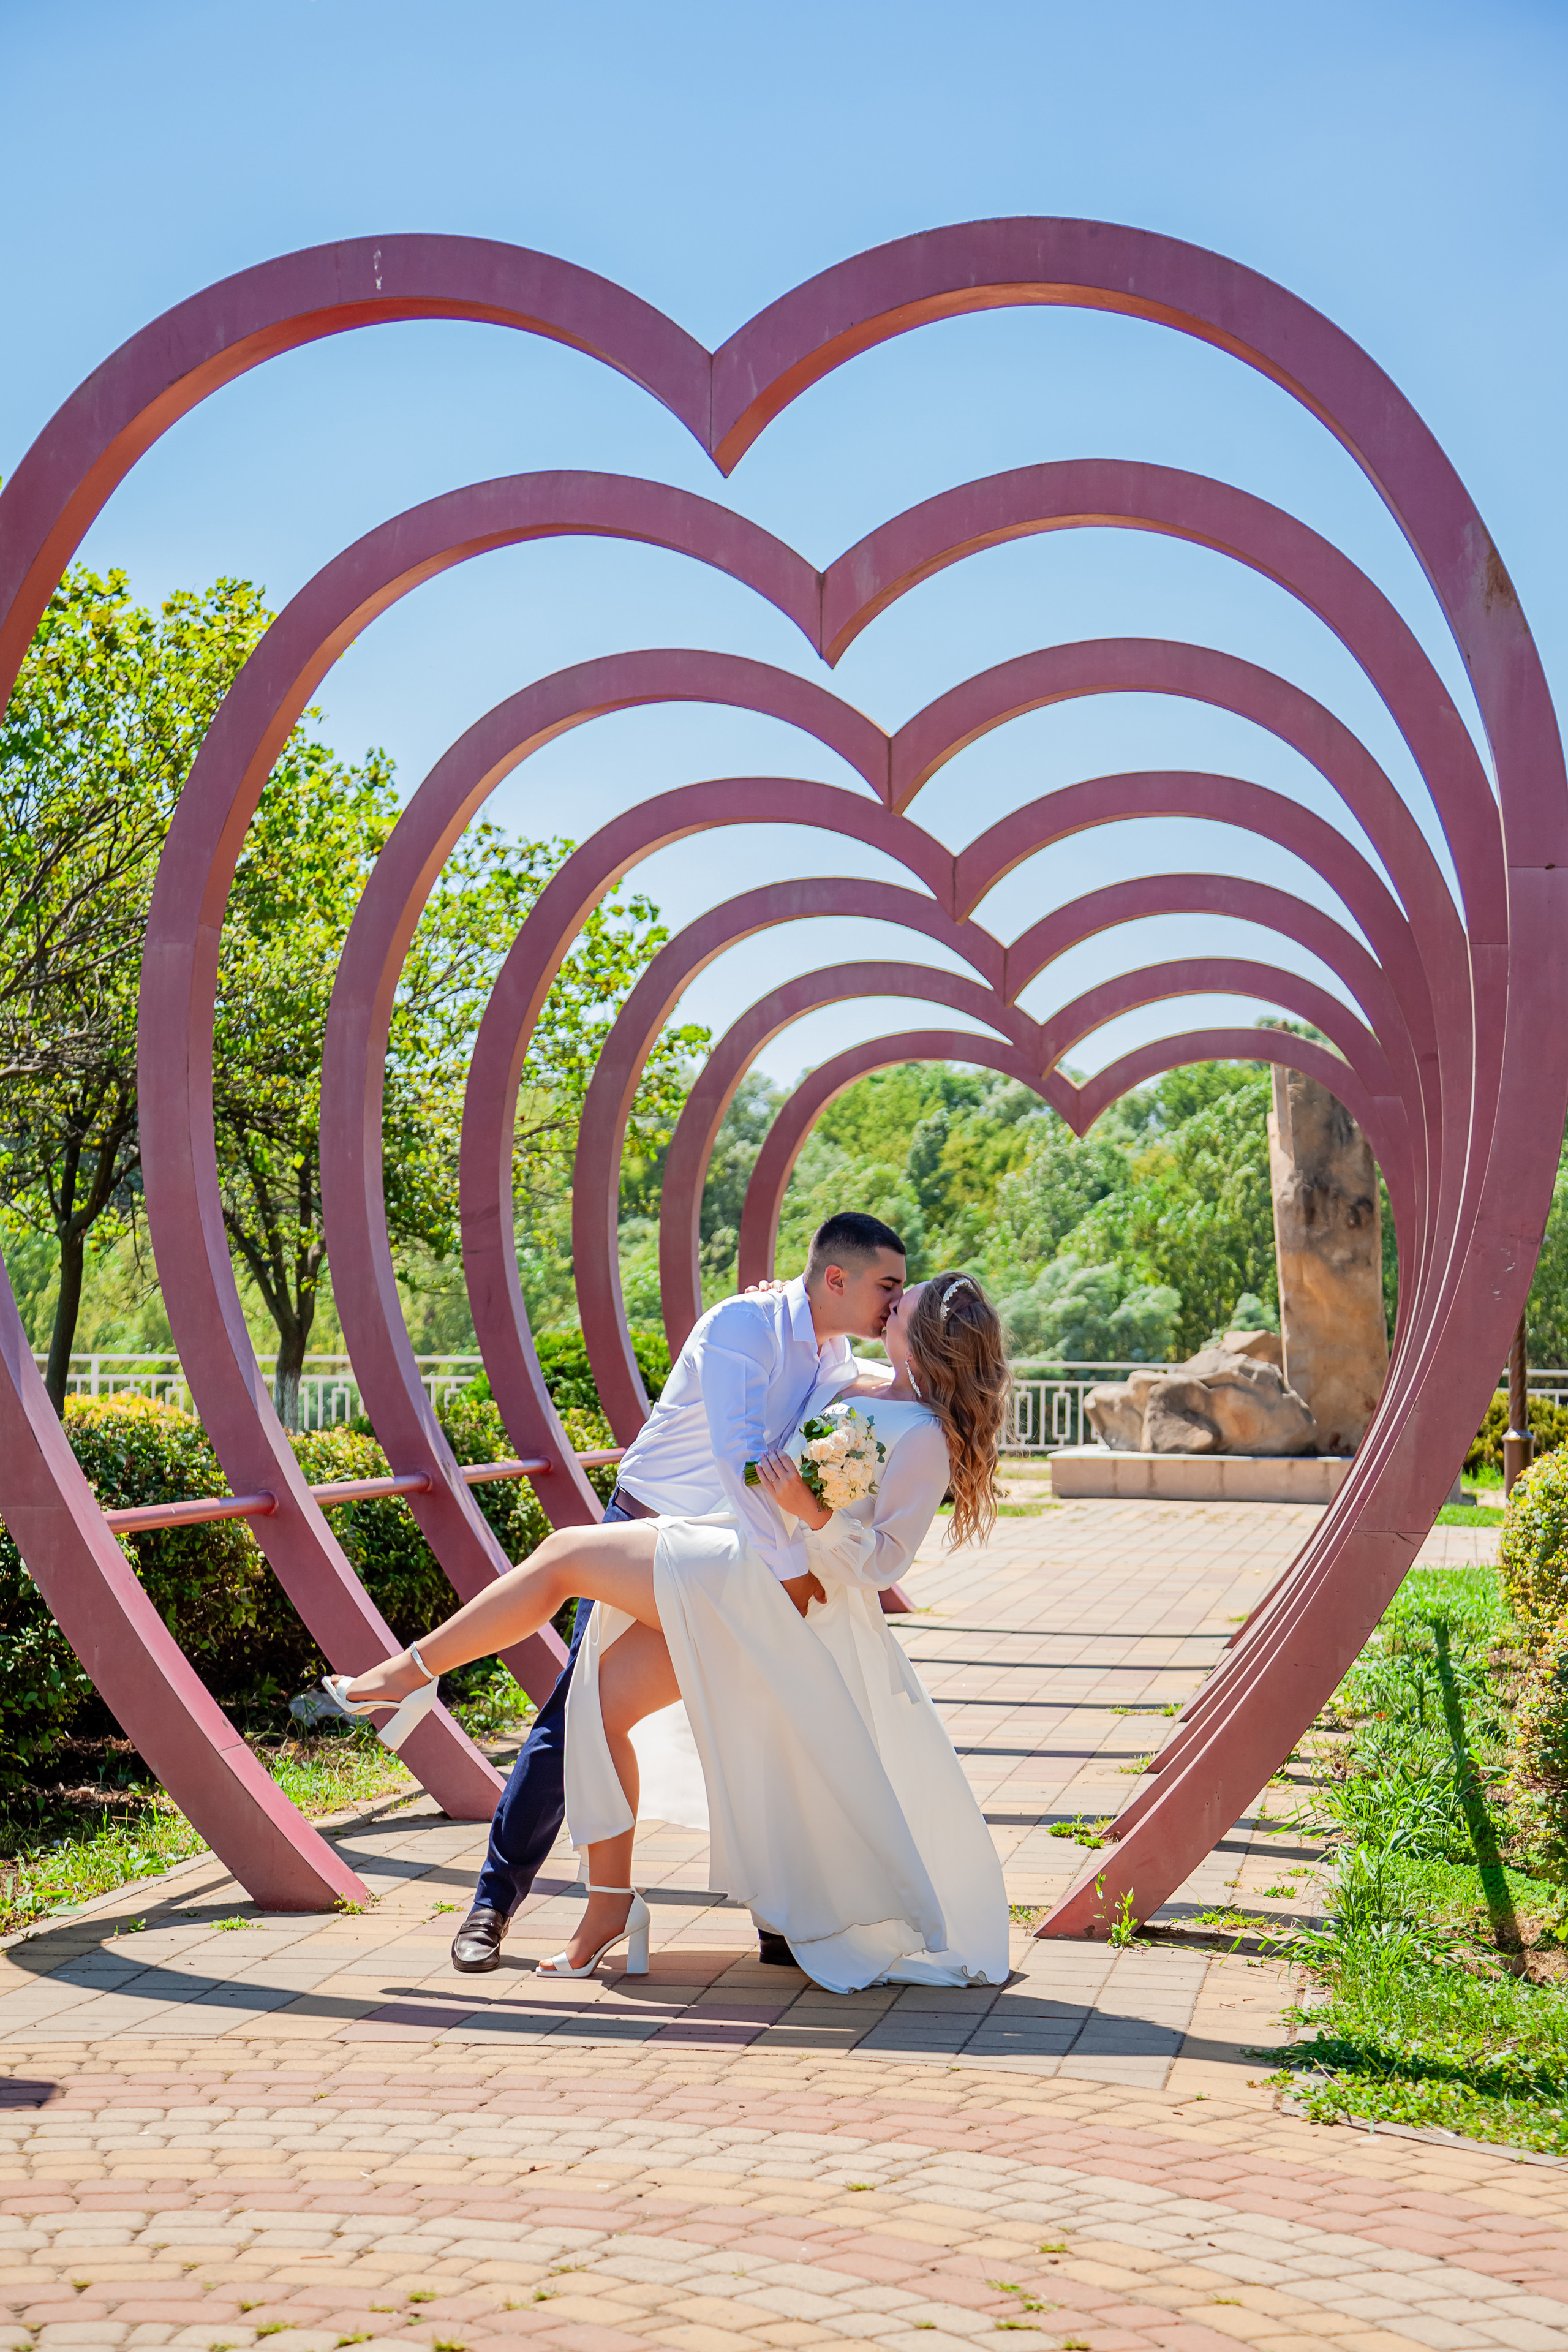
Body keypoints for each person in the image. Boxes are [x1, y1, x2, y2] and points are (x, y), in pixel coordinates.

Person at [328, 1266, 1013, 1994]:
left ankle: (404, 1677)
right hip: (740, 1562)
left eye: (899, 1303)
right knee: (598, 1704)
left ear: (924, 1337)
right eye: (887, 1294)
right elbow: (791, 1367)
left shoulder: (924, 1439)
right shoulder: (855, 1377)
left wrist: (810, 1512)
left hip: (759, 1583)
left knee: (562, 1556)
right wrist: (779, 1302)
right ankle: (609, 1909)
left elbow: (882, 1564)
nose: (887, 1307)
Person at [402, 1212, 907, 1973]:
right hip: (644, 1536)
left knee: (757, 1716)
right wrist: (786, 1571)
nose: (894, 1304)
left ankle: (782, 1914)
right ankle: (492, 1903)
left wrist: (939, 1366)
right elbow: (743, 1462)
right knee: (580, 1712)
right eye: (886, 1287)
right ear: (835, 1279)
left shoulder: (834, 1354)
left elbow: (892, 1379)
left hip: (718, 1555)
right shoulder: (746, 1325)